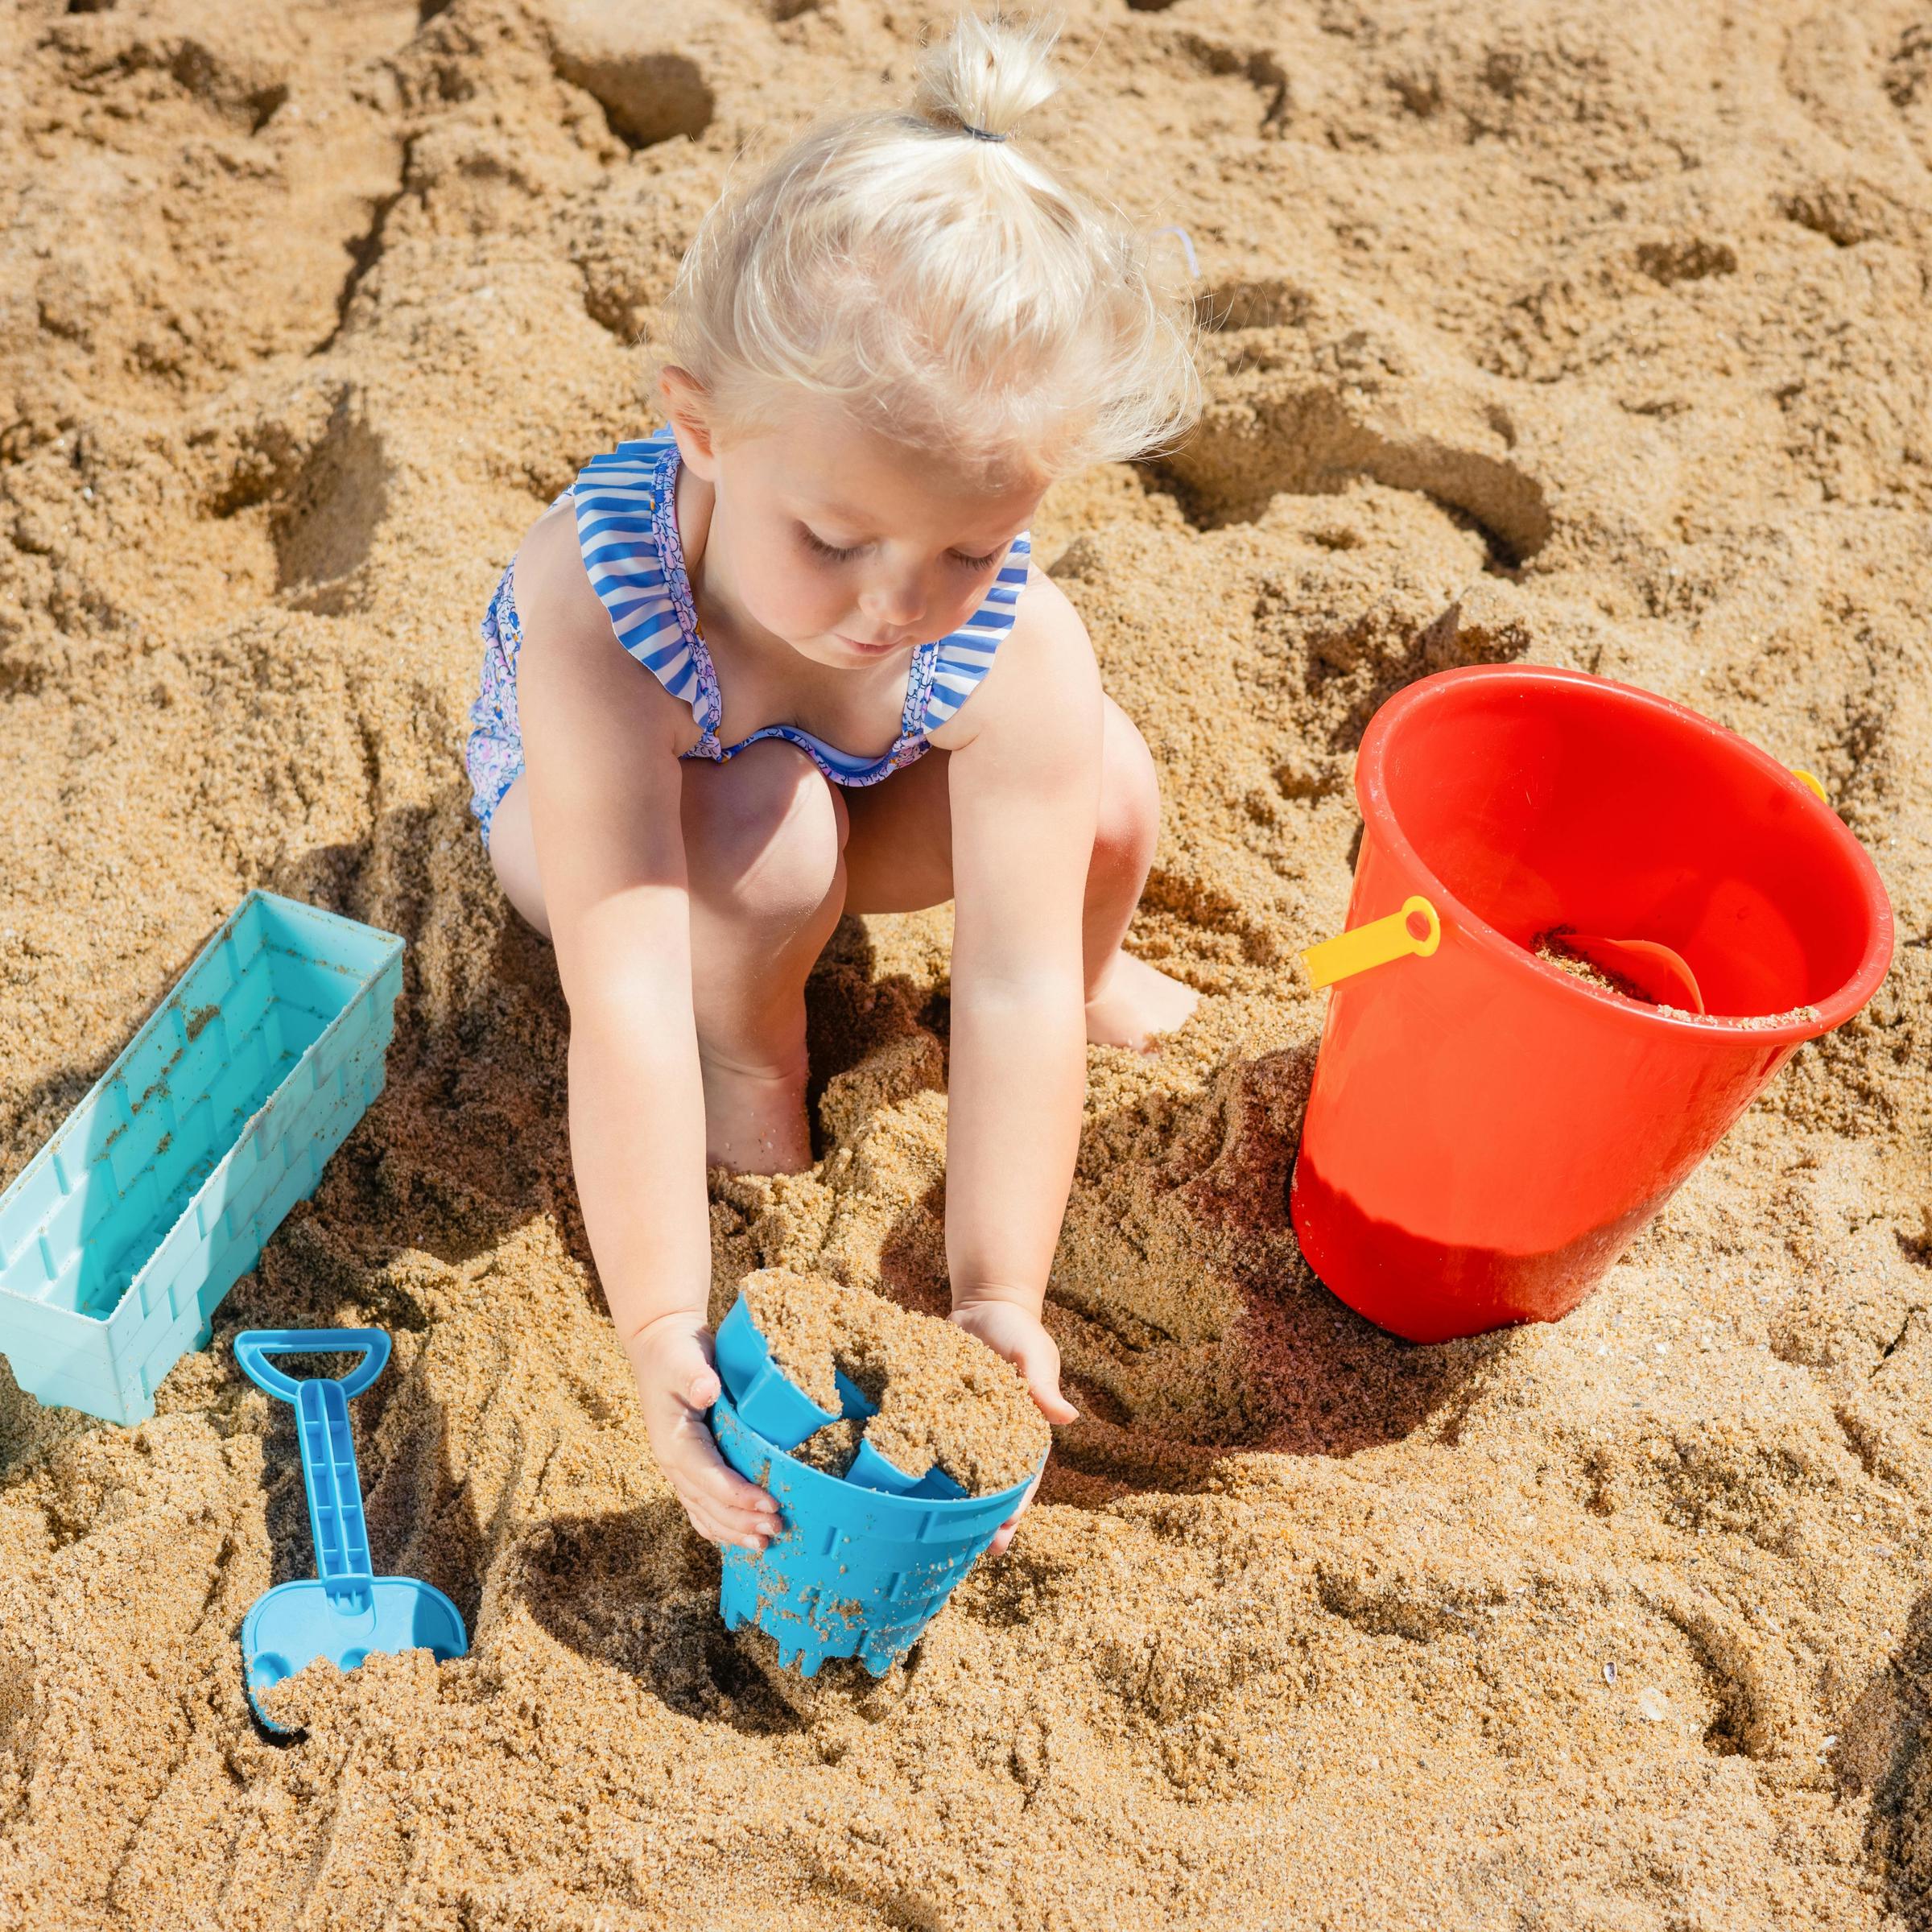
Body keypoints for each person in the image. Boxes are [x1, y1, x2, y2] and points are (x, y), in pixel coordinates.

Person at [464, 12, 1201, 1557]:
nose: (891, 605)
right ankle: (763, 1071)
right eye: (836, 540)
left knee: (1107, 787)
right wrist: (662, 1320)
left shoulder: (1007, 635)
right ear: (704, 427)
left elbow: (999, 994)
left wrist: (997, 1289)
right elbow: (622, 1000)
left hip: (845, 775)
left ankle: (1104, 967)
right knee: (769, 846)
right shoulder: (600, 610)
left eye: (967, 550)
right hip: (620, 829)